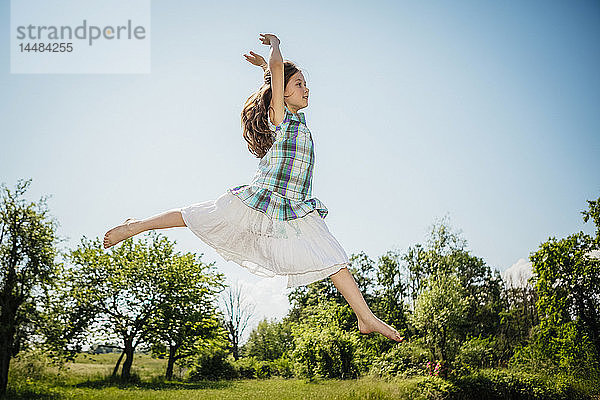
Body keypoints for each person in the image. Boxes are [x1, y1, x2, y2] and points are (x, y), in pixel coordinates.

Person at [103, 33, 403, 343]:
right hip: (263, 196)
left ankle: (365, 317)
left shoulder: (298, 121)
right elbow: (277, 72)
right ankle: (136, 226)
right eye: (298, 84)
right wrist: (274, 50)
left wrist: (265, 68)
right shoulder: (282, 117)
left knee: (332, 255)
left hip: (295, 205)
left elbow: (275, 76)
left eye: (304, 83)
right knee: (197, 215)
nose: (305, 88)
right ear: (282, 93)